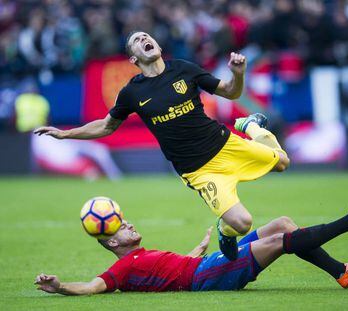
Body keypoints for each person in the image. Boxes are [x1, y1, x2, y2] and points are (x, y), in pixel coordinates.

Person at [34, 31, 290, 261]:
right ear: (134, 59)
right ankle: (225, 231)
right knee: (242, 223)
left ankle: (251, 127)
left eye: (146, 36)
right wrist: (66, 134)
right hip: (199, 170)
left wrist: (238, 73)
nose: (144, 39)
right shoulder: (132, 92)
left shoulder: (184, 69)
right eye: (136, 40)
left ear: (156, 44)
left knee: (282, 163)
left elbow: (231, 92)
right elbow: (106, 126)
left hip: (225, 144)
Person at [34, 185, 348, 294]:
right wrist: (60, 286)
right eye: (122, 226)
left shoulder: (138, 258)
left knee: (282, 223)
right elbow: (94, 287)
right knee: (279, 241)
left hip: (203, 265)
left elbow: (162, 273)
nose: (129, 224)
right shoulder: (122, 269)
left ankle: (341, 272)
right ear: (111, 243)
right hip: (206, 276)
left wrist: (192, 253)